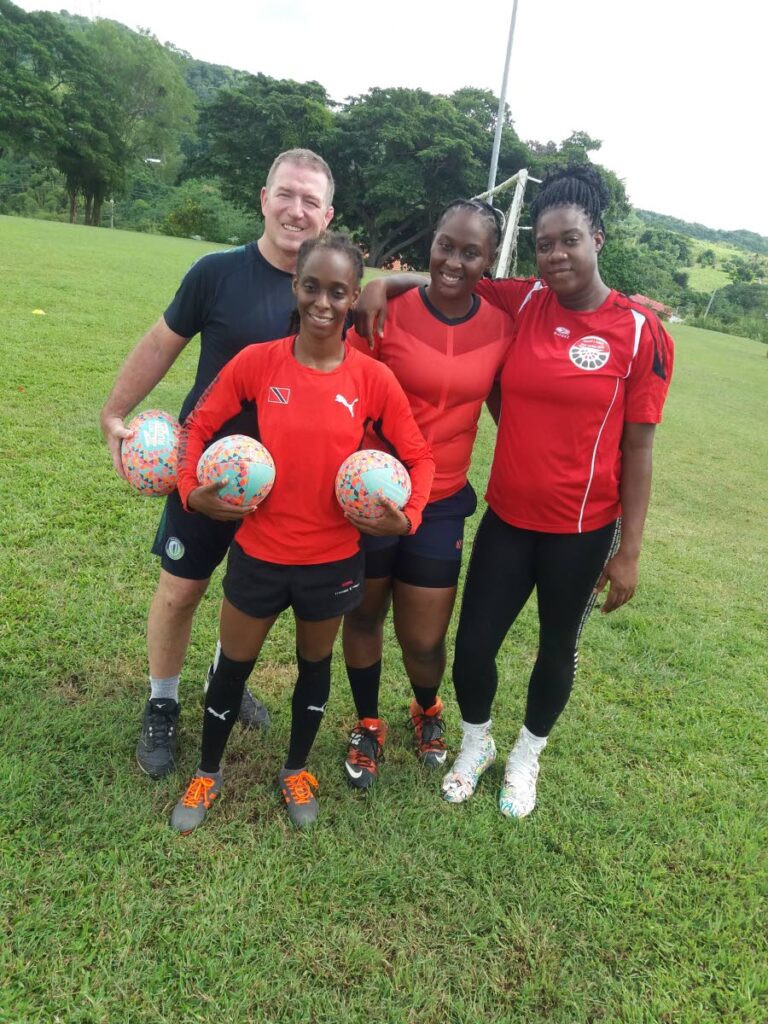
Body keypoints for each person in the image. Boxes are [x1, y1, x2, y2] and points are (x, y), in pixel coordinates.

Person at [355, 165, 674, 819]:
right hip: (506, 516)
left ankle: (526, 756)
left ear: (599, 240)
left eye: (570, 241)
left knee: (557, 647)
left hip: (584, 529)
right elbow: (454, 275)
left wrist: (630, 549)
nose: (556, 255)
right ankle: (477, 742)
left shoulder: (641, 333)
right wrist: (385, 281)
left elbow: (640, 447)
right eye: (544, 244)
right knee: (472, 647)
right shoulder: (525, 302)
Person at [168, 232, 435, 831]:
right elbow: (197, 427)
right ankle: (207, 771)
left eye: (337, 291)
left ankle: (295, 769)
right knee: (233, 666)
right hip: (260, 553)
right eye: (312, 286)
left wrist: (408, 516)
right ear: (296, 286)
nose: (323, 301)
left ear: (351, 299)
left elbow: (421, 457)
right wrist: (191, 491)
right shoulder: (258, 362)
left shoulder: (372, 379)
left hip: (333, 560)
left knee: (315, 665)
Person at [100, 149, 335, 779]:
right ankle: (162, 700)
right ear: (264, 199)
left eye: (311, 200)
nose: (296, 210)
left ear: (327, 215)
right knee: (181, 591)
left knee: (251, 603)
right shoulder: (216, 273)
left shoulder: (330, 296)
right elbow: (161, 342)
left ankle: (221, 678)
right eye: (286, 194)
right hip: (201, 475)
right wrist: (115, 412)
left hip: (285, 490)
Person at [340, 199, 515, 790]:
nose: (454, 261)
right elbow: (346, 393)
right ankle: (367, 722)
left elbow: (509, 405)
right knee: (363, 615)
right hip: (370, 497)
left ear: (489, 261)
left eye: (471, 252)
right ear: (432, 243)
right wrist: (384, 284)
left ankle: (426, 709)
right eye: (446, 245)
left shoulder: (501, 327)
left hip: (440, 500)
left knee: (423, 636)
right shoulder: (383, 312)